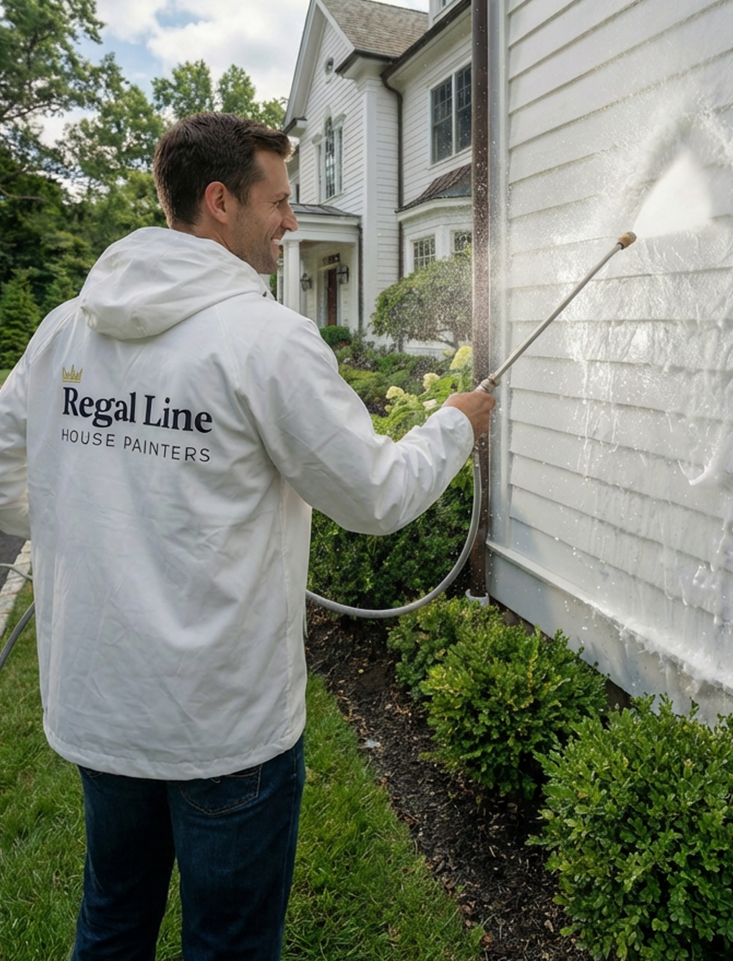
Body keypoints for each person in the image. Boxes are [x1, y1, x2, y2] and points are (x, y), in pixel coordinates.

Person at [0, 112, 495, 961]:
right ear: (222, 201)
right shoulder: (267, 342)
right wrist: (454, 425)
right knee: (227, 944)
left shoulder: (63, 333)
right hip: (221, 729)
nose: (294, 222)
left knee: (111, 922)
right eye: (282, 200)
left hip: (100, 707)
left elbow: (10, 482)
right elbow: (373, 496)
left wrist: (99, 503)